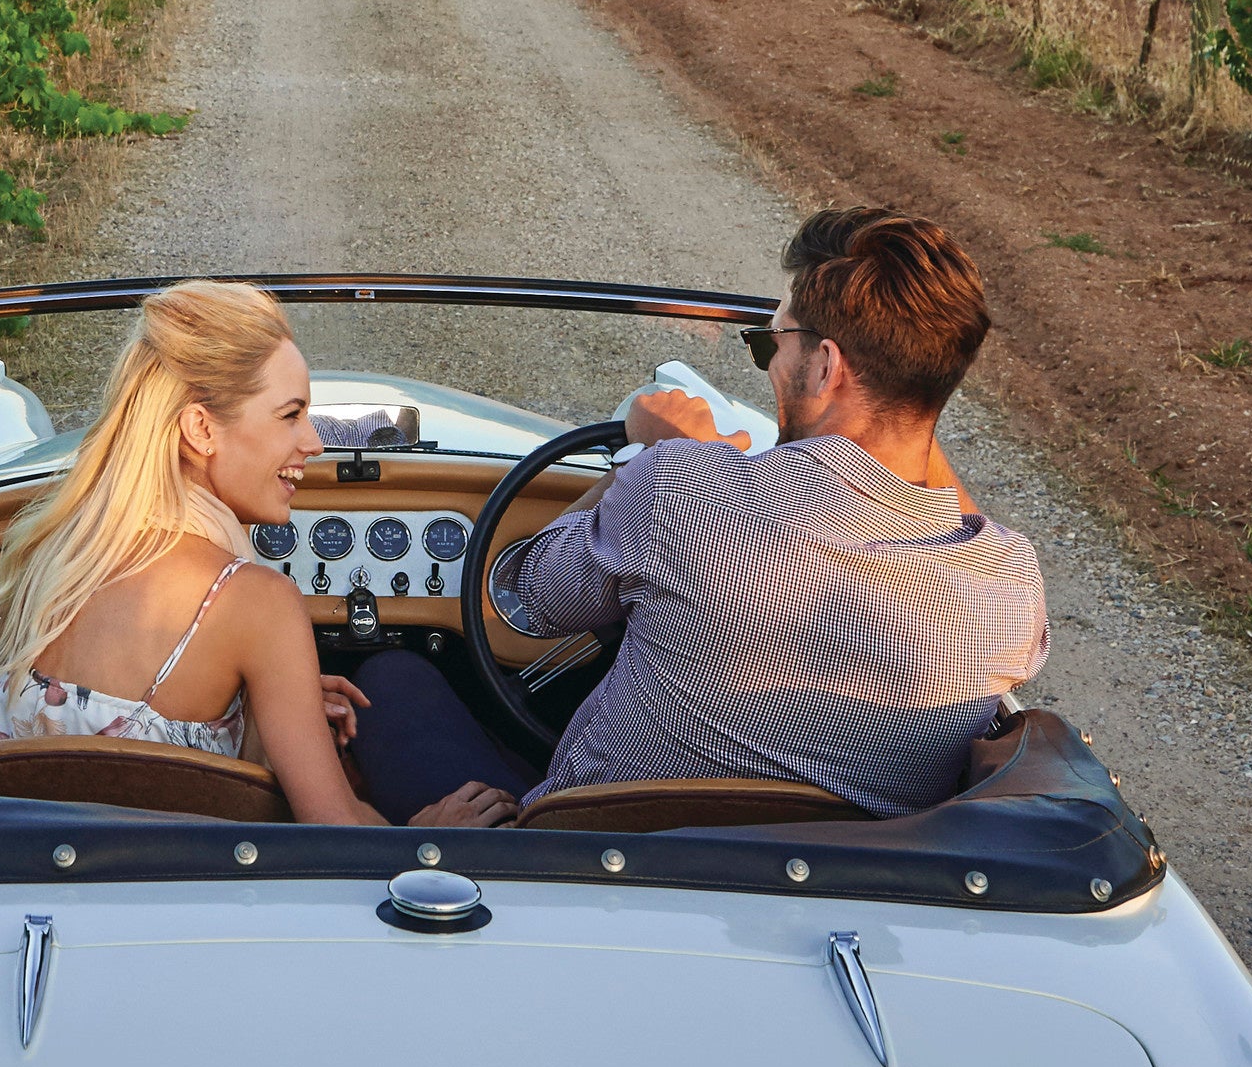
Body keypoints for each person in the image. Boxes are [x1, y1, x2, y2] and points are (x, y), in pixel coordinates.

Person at [341, 209, 1048, 823]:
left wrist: (653, 456)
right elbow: (941, 499)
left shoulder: (679, 489)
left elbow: (522, 597)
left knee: (391, 676)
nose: (768, 364)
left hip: (579, 863)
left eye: (772, 343)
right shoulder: (1011, 585)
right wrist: (919, 394)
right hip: (829, 891)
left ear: (827, 365)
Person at [0, 279, 518, 829]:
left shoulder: (55, 551)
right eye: (290, 415)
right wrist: (434, 840)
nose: (315, 443)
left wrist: (267, 704)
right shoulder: (256, 603)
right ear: (200, 428)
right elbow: (335, 829)